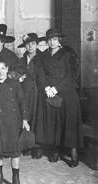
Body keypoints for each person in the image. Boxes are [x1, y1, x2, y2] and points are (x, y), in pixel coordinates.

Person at [35, 29, 84, 167]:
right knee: (53, 122)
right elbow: (40, 74)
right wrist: (46, 87)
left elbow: (71, 75)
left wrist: (57, 88)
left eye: (55, 39)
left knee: (69, 123)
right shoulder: (42, 56)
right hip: (50, 92)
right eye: (50, 39)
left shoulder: (68, 54)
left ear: (59, 40)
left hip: (67, 92)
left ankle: (73, 152)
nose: (52, 42)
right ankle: (54, 150)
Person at [0, 58, 30, 184]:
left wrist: (25, 120)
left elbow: (22, 102)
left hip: (13, 122)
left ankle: (15, 179)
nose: (0, 72)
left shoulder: (15, 84)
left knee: (15, 152)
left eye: (3, 69)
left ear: (7, 69)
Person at [16, 33, 44, 158]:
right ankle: (27, 144)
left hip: (38, 92)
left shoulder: (43, 57)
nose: (30, 47)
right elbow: (16, 73)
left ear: (37, 44)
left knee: (37, 117)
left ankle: (37, 146)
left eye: (33, 44)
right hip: (25, 92)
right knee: (25, 115)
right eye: (28, 44)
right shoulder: (22, 59)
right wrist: (19, 77)